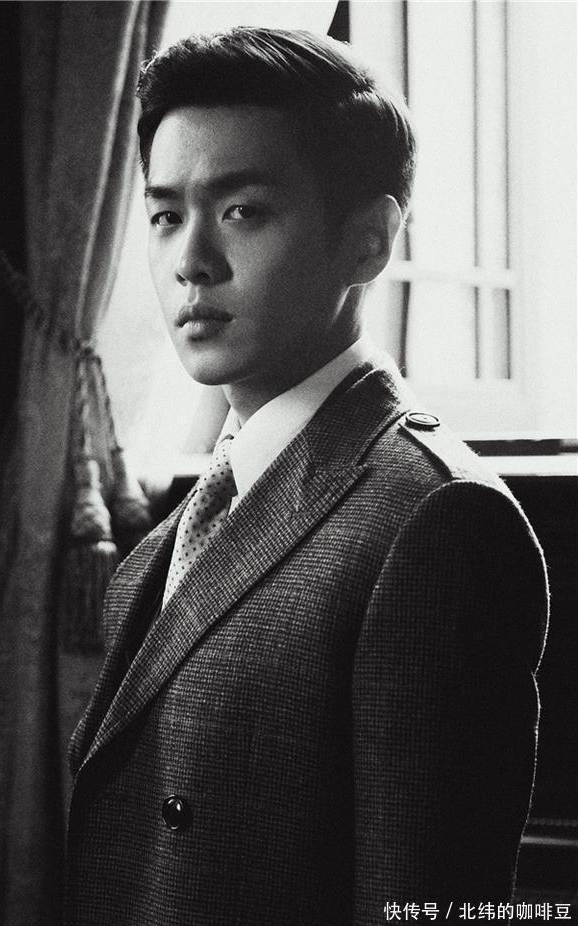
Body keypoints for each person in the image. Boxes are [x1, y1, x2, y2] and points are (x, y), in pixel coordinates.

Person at [64, 27, 548, 926]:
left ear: (368, 241)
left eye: (242, 211)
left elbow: (428, 909)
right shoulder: (185, 524)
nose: (191, 261)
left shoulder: (434, 522)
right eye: (165, 215)